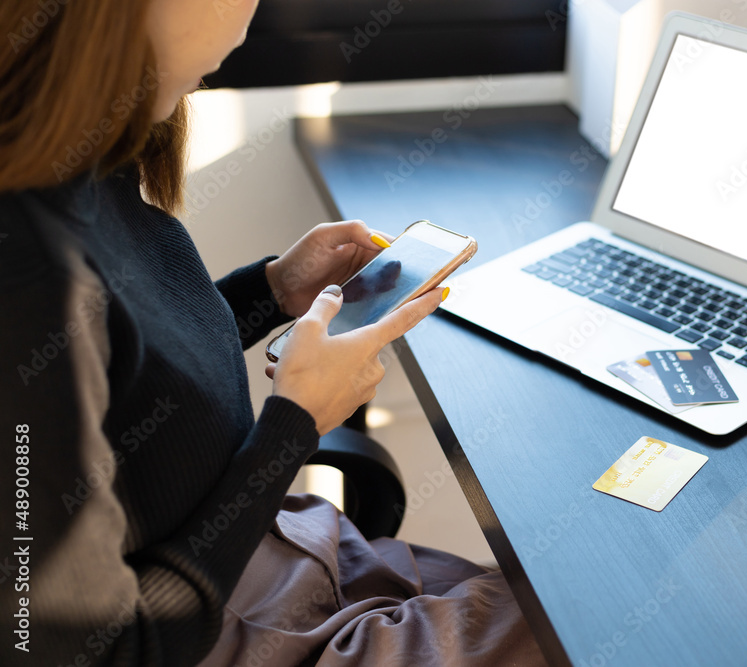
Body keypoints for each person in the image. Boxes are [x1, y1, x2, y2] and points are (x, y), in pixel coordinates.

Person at [0, 1, 545, 664]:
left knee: (559, 590)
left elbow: (120, 385)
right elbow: (95, 648)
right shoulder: (30, 277)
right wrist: (295, 423)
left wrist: (270, 293)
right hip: (214, 623)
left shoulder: (90, 154)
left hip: (269, 547)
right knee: (588, 626)